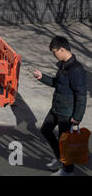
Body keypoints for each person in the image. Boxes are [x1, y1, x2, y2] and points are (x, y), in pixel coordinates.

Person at [33, 36, 87, 176]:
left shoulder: (76, 70)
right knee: (46, 130)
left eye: (54, 52)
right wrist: (41, 77)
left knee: (65, 142)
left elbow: (81, 95)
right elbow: (57, 83)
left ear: (62, 49)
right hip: (56, 107)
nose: (54, 55)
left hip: (67, 113)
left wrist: (77, 116)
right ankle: (60, 158)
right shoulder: (63, 65)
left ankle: (68, 171)